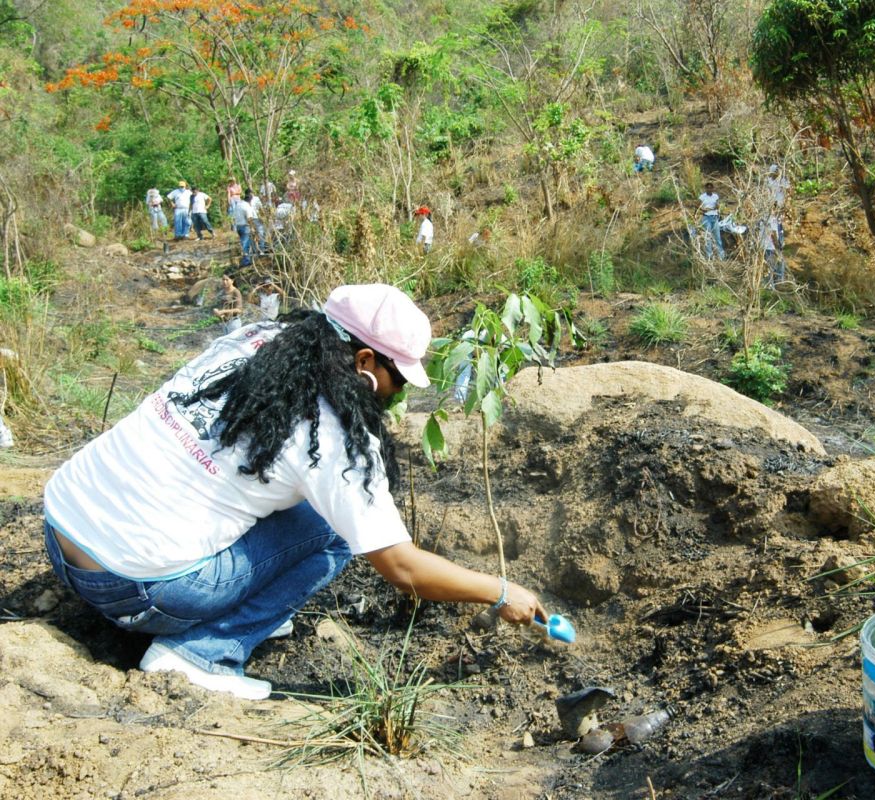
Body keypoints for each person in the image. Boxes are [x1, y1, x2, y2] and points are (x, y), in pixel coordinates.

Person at [42, 284, 546, 700]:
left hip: (61, 526)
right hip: (133, 587)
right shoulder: (331, 434)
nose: (399, 395)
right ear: (365, 362)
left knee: (286, 492)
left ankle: (246, 607)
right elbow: (402, 567)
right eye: (398, 380)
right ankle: (204, 652)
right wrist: (501, 590)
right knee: (336, 533)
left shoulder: (258, 338)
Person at [698, 182, 725, 260]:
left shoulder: (715, 196)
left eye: (711, 187)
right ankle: (709, 256)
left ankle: (721, 255)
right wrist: (703, 209)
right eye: (708, 187)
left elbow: (718, 205)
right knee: (708, 237)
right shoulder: (702, 197)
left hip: (714, 217)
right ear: (705, 188)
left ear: (713, 188)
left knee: (717, 237)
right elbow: (698, 206)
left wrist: (717, 206)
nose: (709, 189)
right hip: (706, 218)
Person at [765, 164, 790, 245]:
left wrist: (785, 203)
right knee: (773, 221)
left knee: (778, 221)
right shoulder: (769, 180)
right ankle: (776, 241)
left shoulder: (782, 180)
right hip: (771, 203)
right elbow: (767, 190)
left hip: (780, 203)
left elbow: (787, 190)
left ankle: (780, 241)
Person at [760, 214, 785, 288]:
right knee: (773, 266)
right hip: (770, 247)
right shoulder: (771, 219)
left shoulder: (762, 217)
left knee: (769, 267)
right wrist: (778, 247)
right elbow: (773, 234)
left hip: (764, 246)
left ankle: (773, 285)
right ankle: (774, 285)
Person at [230, 195, 253, 265]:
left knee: (244, 243)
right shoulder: (247, 206)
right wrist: (252, 227)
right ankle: (246, 261)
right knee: (245, 244)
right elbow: (249, 218)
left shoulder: (238, 205)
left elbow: (233, 217)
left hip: (238, 226)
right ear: (250, 200)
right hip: (245, 226)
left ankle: (246, 258)